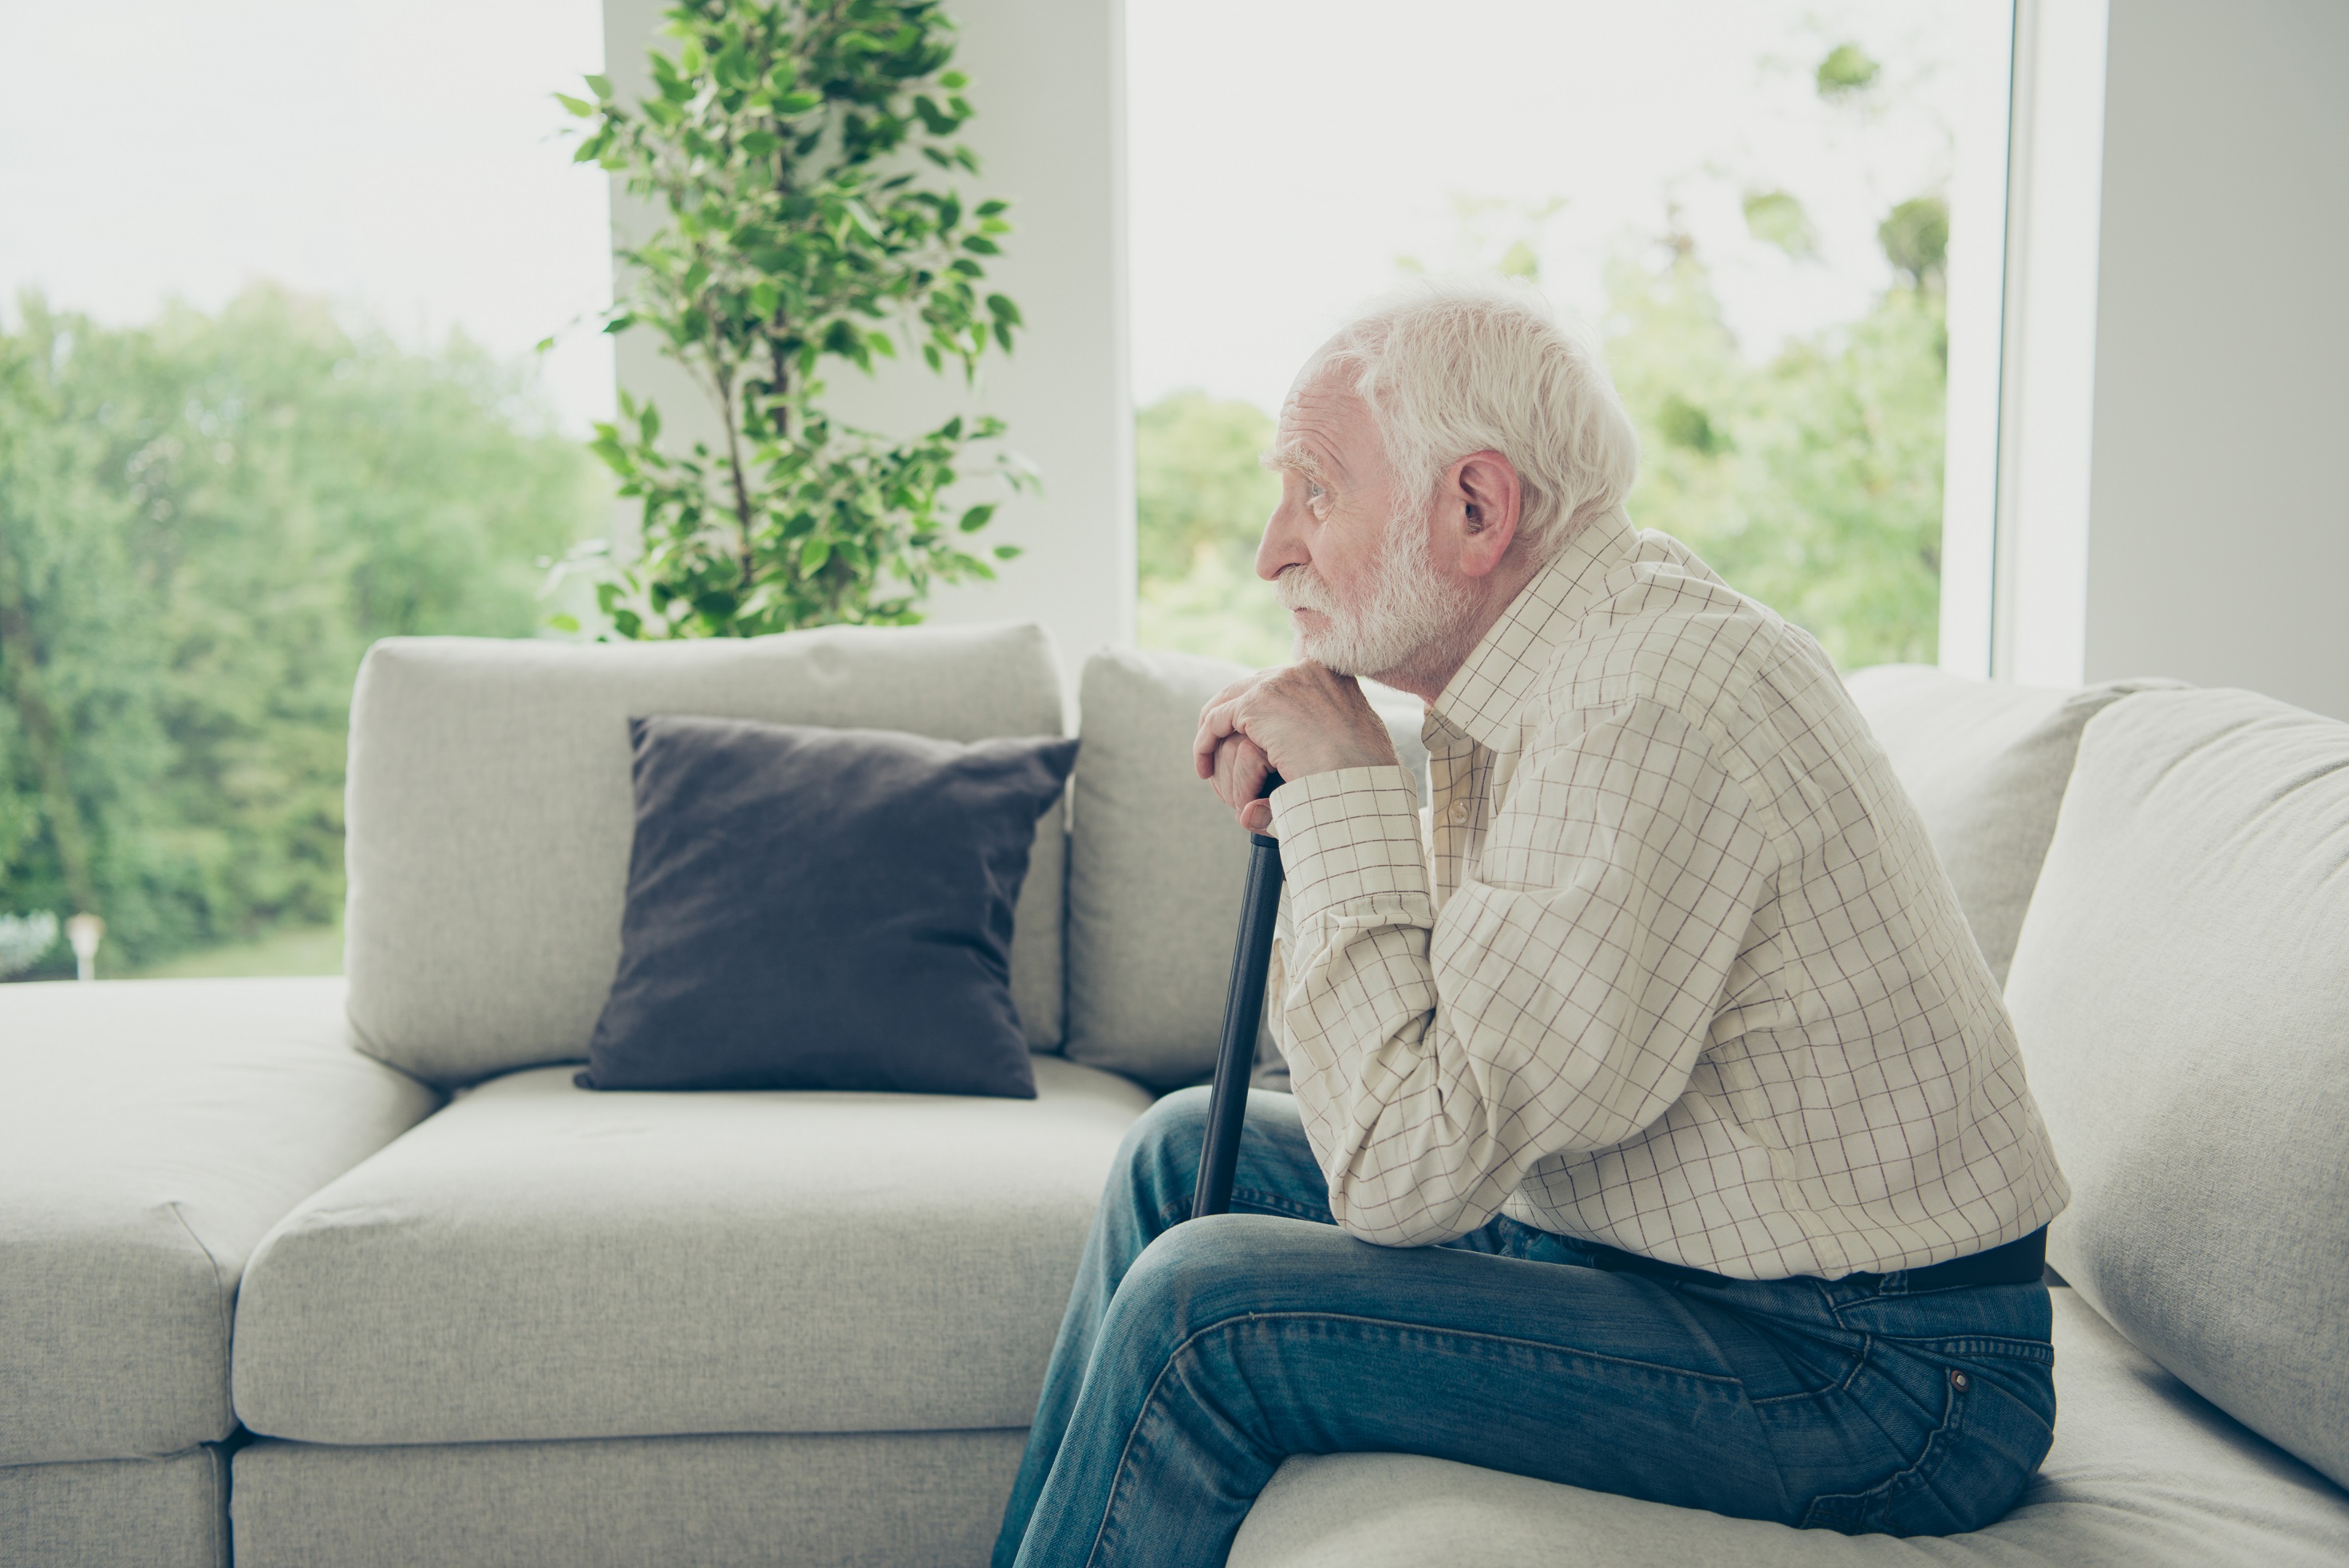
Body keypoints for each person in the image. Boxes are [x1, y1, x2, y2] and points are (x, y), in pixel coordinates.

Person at [993, 279, 2068, 1568]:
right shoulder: (1550, 673)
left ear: (1476, 509)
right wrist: (1351, 796)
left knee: (1200, 1311)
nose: (1273, 547)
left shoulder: (1643, 705)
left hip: (1883, 1370)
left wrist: (1341, 796)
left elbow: (1408, 1168)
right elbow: (1461, 1082)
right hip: (1681, 1264)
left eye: (1316, 490)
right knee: (1178, 1153)